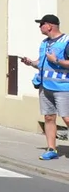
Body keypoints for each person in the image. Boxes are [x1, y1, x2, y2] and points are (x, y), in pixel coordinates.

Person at [22, 14, 68, 161]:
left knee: (67, 118)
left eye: (41, 24)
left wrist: (57, 61)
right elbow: (41, 63)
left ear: (50, 26)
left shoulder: (66, 42)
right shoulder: (44, 43)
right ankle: (51, 149)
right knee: (49, 117)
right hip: (45, 87)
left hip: (62, 87)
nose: (39, 27)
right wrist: (30, 62)